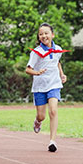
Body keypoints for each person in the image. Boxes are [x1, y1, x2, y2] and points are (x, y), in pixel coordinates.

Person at [25, 23, 68, 153]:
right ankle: (38, 121)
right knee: (42, 116)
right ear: (39, 37)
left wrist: (62, 74)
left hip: (54, 84)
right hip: (39, 87)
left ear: (52, 35)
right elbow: (28, 69)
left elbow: (57, 62)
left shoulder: (58, 49)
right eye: (41, 34)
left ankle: (52, 141)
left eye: (46, 33)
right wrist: (37, 73)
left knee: (53, 111)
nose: (44, 36)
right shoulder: (36, 52)